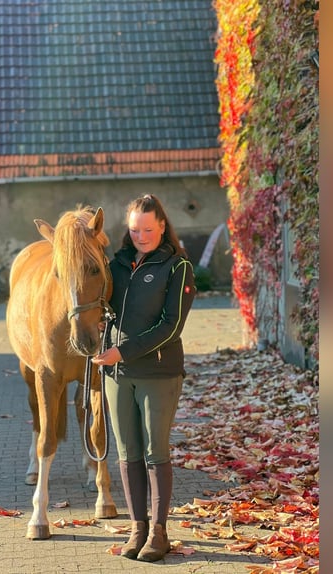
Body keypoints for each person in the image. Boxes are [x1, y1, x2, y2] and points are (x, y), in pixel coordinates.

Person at [92, 194, 196, 562]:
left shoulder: (177, 266)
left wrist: (124, 350)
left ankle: (159, 532)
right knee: (127, 454)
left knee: (155, 453)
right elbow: (99, 304)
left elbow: (171, 327)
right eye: (135, 229)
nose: (141, 236)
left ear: (163, 226)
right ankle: (137, 528)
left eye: (148, 229)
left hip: (159, 372)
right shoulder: (116, 264)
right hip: (117, 374)